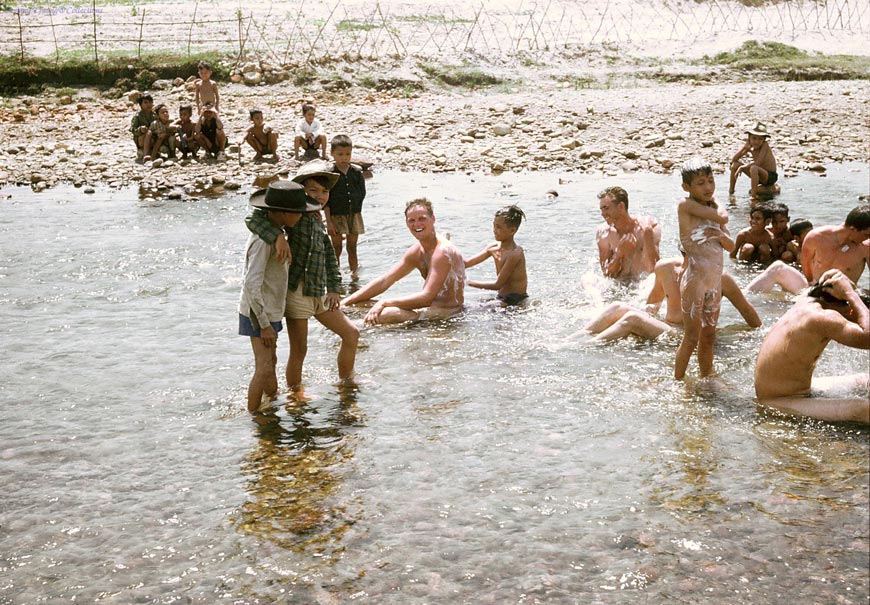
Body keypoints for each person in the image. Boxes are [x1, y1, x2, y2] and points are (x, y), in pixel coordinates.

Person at [245, 160, 359, 399]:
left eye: (325, 191)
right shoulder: (293, 216)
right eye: (313, 191)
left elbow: (329, 254)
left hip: (319, 291)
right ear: (301, 193)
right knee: (300, 349)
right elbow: (253, 220)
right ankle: (296, 393)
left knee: (351, 334)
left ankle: (346, 384)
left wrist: (335, 288)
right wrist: (278, 236)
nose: (321, 196)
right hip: (296, 292)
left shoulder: (317, 219)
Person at [239, 180, 320, 412]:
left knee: (271, 362)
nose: (302, 216)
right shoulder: (264, 243)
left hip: (269, 310)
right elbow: (250, 285)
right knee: (263, 367)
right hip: (258, 313)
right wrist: (264, 325)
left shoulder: (277, 233)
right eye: (298, 213)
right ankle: (254, 418)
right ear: (284, 214)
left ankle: (271, 406)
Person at [754, 269, 869, 424]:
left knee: (865, 380)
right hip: (778, 401)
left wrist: (843, 285)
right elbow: (867, 337)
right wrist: (851, 294)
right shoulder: (822, 318)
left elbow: (828, 276)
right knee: (864, 409)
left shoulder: (808, 301)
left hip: (791, 389)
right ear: (849, 308)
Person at [341, 198, 466, 325]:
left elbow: (426, 298)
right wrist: (344, 303)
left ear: (433, 219)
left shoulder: (442, 252)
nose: (417, 224)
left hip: (448, 312)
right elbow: (385, 281)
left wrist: (384, 302)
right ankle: (345, 320)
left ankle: (347, 328)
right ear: (406, 223)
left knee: (387, 313)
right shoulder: (416, 251)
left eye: (422, 219)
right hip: (427, 307)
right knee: (357, 304)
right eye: (412, 220)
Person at [586, 256, 761, 341]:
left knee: (632, 319)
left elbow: (746, 310)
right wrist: (647, 321)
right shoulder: (665, 268)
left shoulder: (720, 278)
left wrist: (759, 336)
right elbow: (653, 304)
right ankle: (574, 340)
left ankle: (587, 347)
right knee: (618, 306)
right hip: (667, 327)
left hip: (687, 335)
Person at [674, 157, 735, 380]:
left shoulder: (712, 207)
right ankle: (678, 382)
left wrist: (719, 234)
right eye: (700, 183)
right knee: (691, 336)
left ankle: (707, 376)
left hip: (714, 281)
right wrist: (720, 205)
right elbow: (723, 216)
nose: (708, 187)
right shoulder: (686, 206)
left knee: (709, 334)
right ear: (686, 187)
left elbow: (731, 246)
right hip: (696, 279)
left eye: (710, 180)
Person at [464, 204, 528, 305]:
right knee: (466, 301)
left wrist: (468, 283)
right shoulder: (493, 248)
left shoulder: (515, 253)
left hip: (515, 298)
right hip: (501, 296)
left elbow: (497, 285)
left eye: (498, 227)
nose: (494, 230)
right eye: (494, 225)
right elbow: (466, 263)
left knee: (479, 309)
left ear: (512, 230)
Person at [595, 186, 661, 280]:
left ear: (621, 206)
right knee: (587, 279)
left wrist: (648, 237)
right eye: (601, 209)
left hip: (643, 285)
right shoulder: (603, 233)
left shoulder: (647, 228)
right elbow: (607, 275)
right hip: (618, 284)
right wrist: (620, 254)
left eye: (606, 208)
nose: (603, 213)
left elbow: (655, 270)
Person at [324, 135, 366, 279]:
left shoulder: (356, 173)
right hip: (335, 216)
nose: (344, 157)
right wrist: (328, 221)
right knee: (336, 247)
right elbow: (326, 201)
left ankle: (354, 275)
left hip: (354, 214)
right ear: (332, 153)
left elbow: (361, 192)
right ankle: (334, 275)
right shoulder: (330, 174)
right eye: (340, 154)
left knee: (352, 247)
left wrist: (356, 209)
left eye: (347, 154)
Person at [801, 204, 869, 284]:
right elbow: (806, 264)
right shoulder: (816, 237)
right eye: (867, 234)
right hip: (817, 289)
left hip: (846, 293)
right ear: (853, 229)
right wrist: (811, 284)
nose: (868, 238)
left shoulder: (866, 247)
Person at [728, 121, 778, 199]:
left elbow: (758, 163)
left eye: (760, 139)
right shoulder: (750, 146)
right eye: (754, 138)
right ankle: (731, 192)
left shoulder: (765, 146)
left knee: (753, 168)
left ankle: (753, 197)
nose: (756, 142)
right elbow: (733, 160)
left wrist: (742, 167)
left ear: (764, 140)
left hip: (769, 176)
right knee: (735, 165)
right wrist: (744, 148)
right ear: (749, 138)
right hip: (758, 175)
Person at [130, 93, 154, 161]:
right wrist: (140, 129)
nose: (148, 104)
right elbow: (132, 129)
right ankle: (145, 153)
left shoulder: (155, 115)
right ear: (141, 105)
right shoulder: (137, 116)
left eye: (150, 102)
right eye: (145, 102)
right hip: (141, 139)